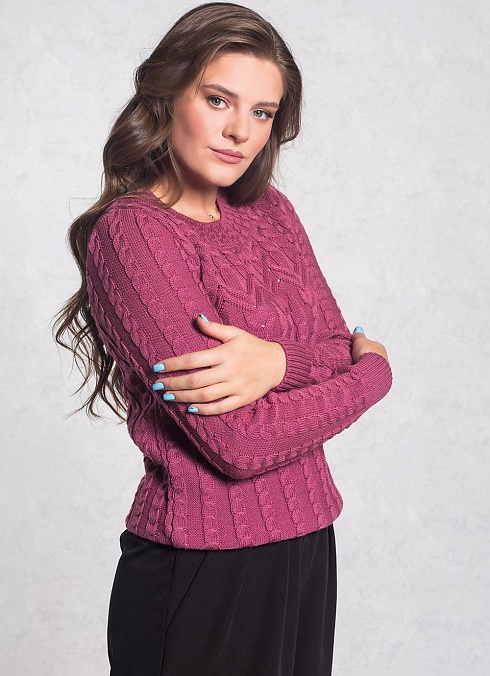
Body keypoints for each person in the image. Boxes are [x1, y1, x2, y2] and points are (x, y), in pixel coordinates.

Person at [54, 3, 392, 675]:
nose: (241, 131)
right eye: (218, 100)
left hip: (307, 545)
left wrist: (276, 364)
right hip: (202, 568)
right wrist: (375, 376)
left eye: (263, 113)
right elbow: (238, 443)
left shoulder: (271, 213)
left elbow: (334, 345)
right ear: (167, 95)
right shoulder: (134, 236)